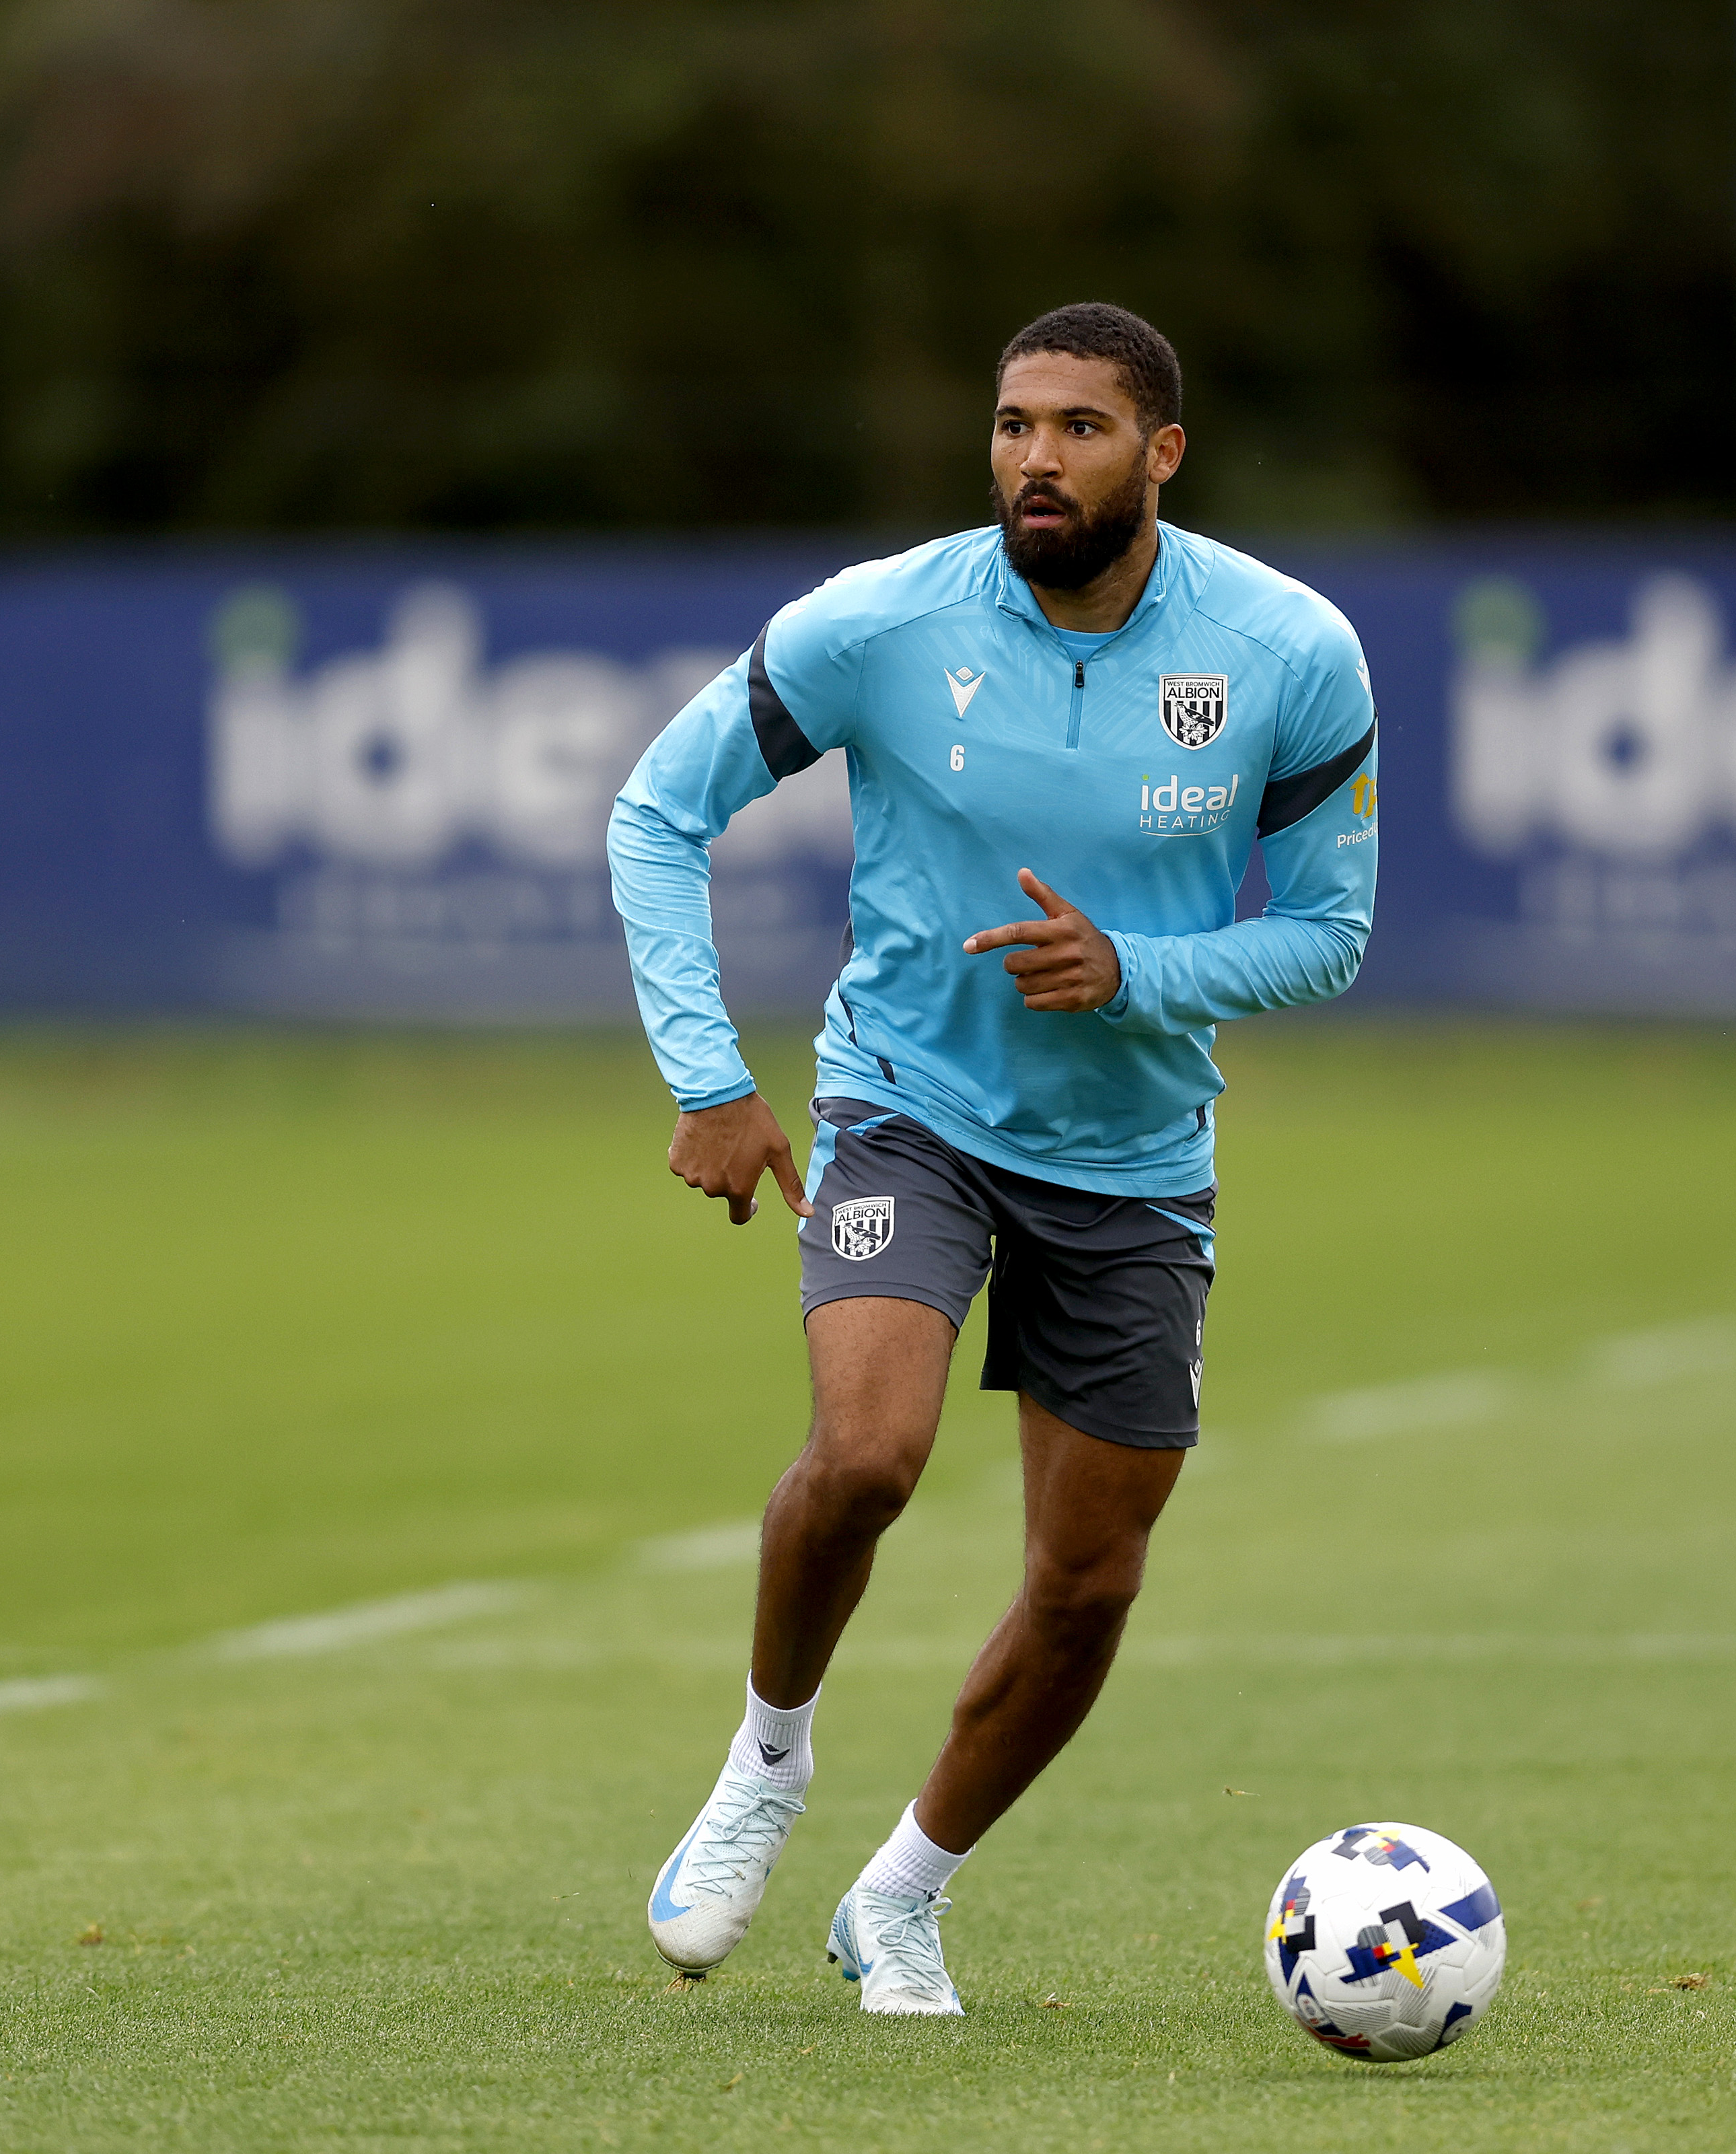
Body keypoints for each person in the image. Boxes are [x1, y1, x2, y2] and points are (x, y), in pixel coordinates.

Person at [606, 301, 1379, 2015]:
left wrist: (1138, 971)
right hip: (911, 1105)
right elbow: (657, 811)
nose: (1036, 456)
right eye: (1016, 423)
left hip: (1135, 1151)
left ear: (1161, 454)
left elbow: (1331, 928)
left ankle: (901, 1893)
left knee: (1087, 1580)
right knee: (865, 1454)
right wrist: (708, 1074)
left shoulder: (1288, 649)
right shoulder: (881, 624)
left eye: (1081, 429)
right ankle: (768, 1756)